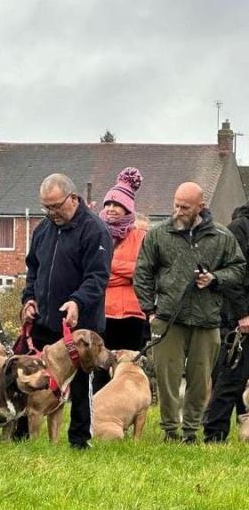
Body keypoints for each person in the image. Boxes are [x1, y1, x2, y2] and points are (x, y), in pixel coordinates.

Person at [135, 182, 246, 443]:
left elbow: (239, 269)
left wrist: (215, 278)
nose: (179, 210)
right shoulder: (159, 234)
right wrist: (150, 310)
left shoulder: (222, 237)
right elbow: (142, 272)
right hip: (168, 318)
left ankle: (191, 431)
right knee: (168, 378)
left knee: (200, 380)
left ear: (200, 207)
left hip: (208, 319)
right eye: (176, 204)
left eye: (185, 207)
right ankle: (171, 430)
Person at [18, 173, 113, 449]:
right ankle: (23, 434)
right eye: (46, 207)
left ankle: (80, 440)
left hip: (81, 327)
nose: (51, 213)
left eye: (56, 206)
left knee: (82, 385)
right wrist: (29, 299)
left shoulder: (95, 230)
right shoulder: (42, 230)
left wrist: (77, 301)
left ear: (73, 198)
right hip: (46, 322)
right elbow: (33, 269)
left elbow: (97, 276)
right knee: (35, 379)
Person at [98, 168, 147, 396]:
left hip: (132, 315)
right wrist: (126, 273)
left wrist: (112, 271)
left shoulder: (141, 236)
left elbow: (144, 271)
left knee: (128, 371)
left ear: (128, 209)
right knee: (100, 368)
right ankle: (96, 413)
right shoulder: (96, 233)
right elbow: (94, 271)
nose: (111, 209)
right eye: (108, 204)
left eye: (116, 205)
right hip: (101, 312)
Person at [203, 202, 249, 443]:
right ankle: (215, 433)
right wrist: (242, 314)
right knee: (232, 375)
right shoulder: (239, 229)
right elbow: (232, 277)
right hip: (239, 316)